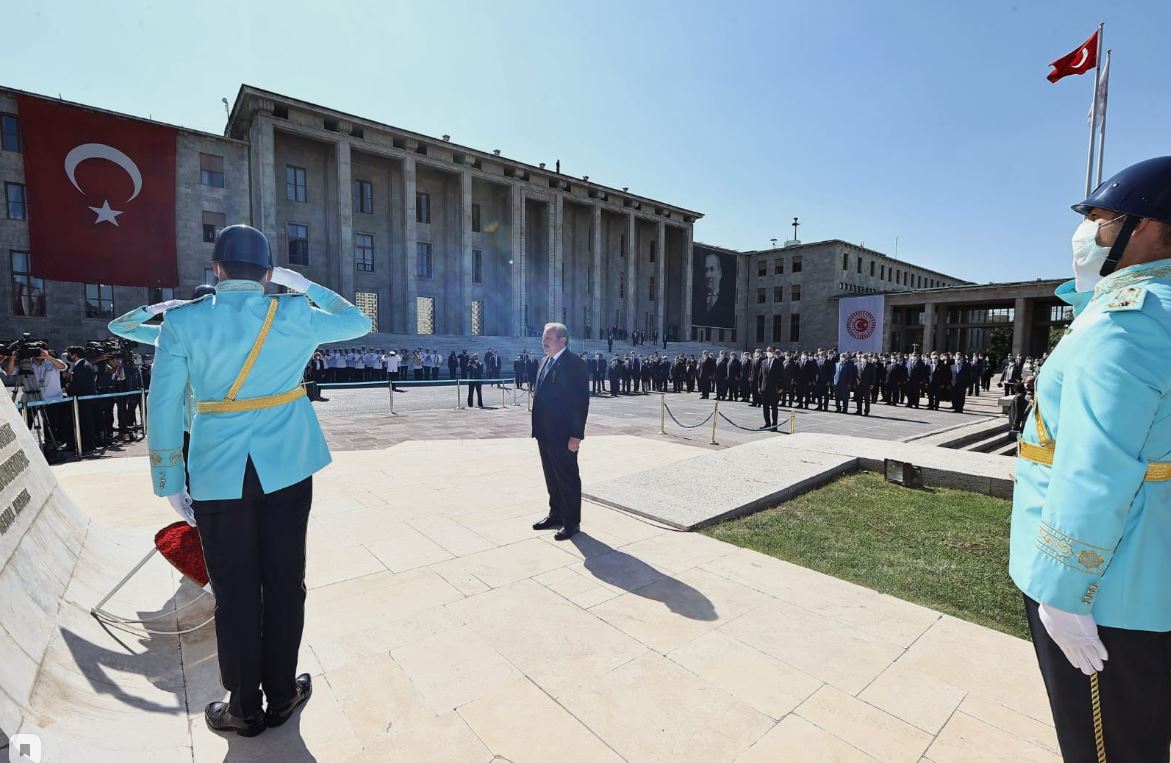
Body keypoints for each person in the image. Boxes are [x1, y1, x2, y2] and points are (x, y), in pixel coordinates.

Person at [147, 224, 370, 737]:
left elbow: (162, 402)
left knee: (235, 589)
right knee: (285, 582)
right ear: (270, 273)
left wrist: (168, 476)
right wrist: (305, 285)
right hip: (287, 465)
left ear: (217, 270)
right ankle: (283, 690)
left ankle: (244, 705)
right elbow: (357, 322)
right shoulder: (293, 312)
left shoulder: (182, 322)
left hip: (216, 470)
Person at [1010, 156, 1171, 762]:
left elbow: (1096, 467)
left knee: (1106, 748)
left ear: (1150, 227)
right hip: (1148, 569)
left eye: (1105, 219)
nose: (1092, 233)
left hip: (1106, 591)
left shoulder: (1127, 324)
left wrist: (1064, 590)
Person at [530, 323, 590, 542]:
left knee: (567, 478)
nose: (544, 342)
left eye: (549, 338)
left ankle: (572, 523)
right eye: (543, 338)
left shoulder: (575, 364)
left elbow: (580, 403)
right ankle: (556, 514)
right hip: (544, 433)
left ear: (562, 340)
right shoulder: (545, 361)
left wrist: (576, 435)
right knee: (552, 477)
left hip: (564, 435)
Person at [757, 346, 782, 430]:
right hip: (764, 389)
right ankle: (767, 423)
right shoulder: (763, 362)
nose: (769, 352)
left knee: (774, 408)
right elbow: (760, 376)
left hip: (775, 389)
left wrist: (781, 387)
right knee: (765, 407)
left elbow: (782, 376)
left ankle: (774, 425)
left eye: (770, 351)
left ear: (774, 352)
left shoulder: (778, 362)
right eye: (767, 351)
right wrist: (759, 387)